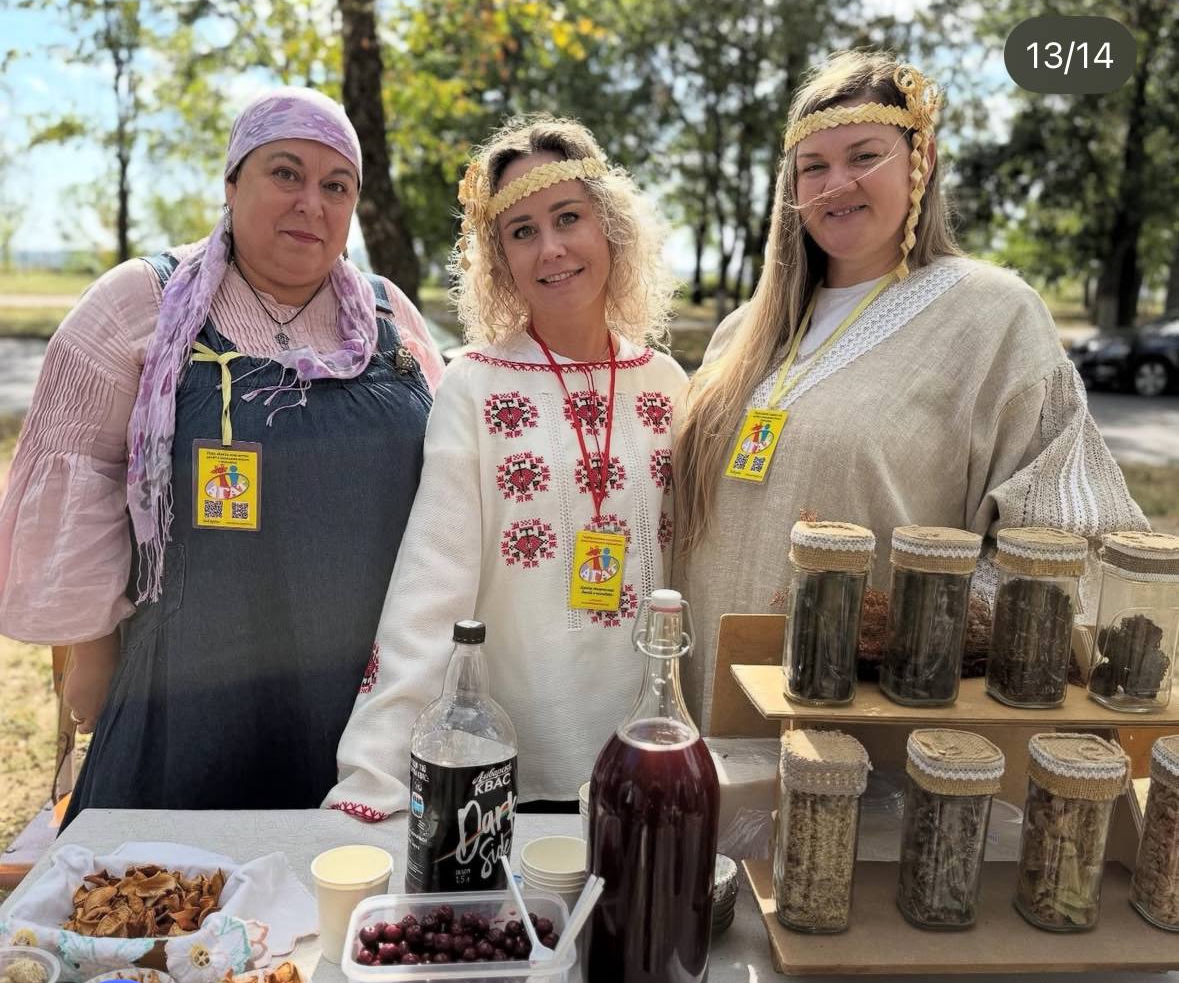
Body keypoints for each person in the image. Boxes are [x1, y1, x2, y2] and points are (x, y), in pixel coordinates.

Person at [0, 86, 444, 823]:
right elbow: (76, 484)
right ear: (232, 181)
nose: (312, 201)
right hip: (187, 693)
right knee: (171, 908)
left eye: (337, 186)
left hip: (365, 696)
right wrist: (93, 656)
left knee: (344, 907)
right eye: (285, 173)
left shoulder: (389, 315)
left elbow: (449, 489)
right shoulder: (140, 302)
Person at [672, 51, 1148, 732]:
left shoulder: (990, 313)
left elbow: (1066, 536)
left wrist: (925, 625)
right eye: (813, 166)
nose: (836, 182)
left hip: (864, 719)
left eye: (863, 155)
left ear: (918, 161)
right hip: (704, 706)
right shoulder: (739, 334)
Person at [324, 115, 686, 819]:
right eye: (521, 232)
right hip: (516, 768)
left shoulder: (667, 383)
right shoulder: (476, 386)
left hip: (652, 752)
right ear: (499, 260)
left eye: (567, 218)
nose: (550, 249)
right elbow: (432, 583)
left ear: (609, 226)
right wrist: (374, 769)